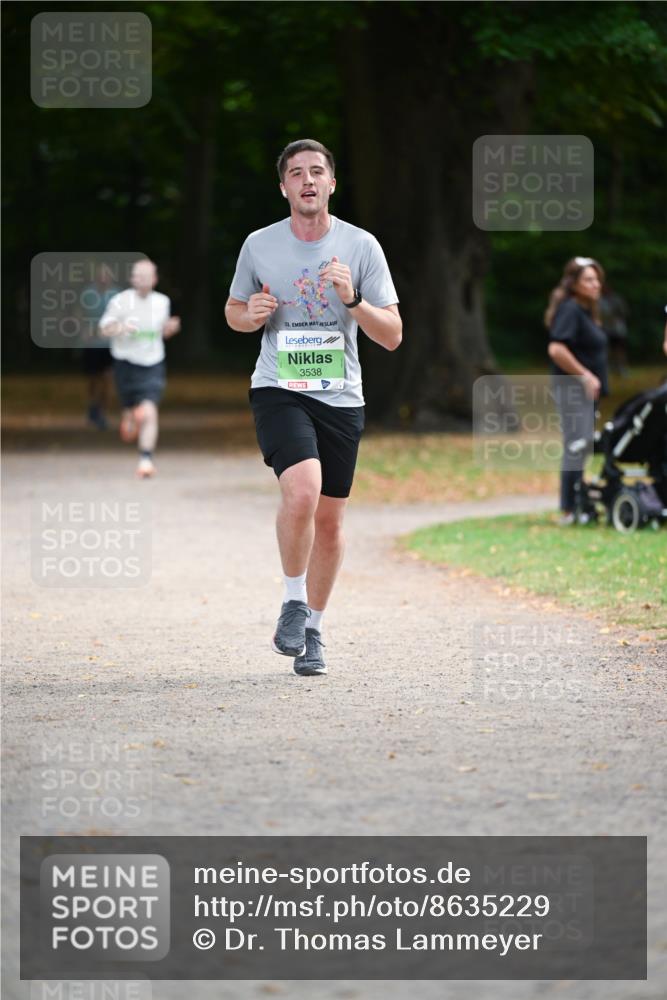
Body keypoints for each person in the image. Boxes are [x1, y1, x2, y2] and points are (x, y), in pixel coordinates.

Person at [225, 138, 401, 677]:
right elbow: (232, 311)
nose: (307, 180)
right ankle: (293, 601)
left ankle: (315, 631)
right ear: (283, 187)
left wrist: (352, 300)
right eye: (296, 172)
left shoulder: (362, 246)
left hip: (341, 396)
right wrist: (251, 314)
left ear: (331, 183)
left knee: (329, 522)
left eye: (316, 171)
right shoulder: (259, 244)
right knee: (301, 490)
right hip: (279, 387)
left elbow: (392, 335)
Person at [98, 259, 181, 478]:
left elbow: (162, 332)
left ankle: (146, 459)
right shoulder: (120, 301)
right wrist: (121, 327)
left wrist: (170, 328)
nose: (142, 280)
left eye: (147, 276)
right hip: (125, 362)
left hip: (153, 362)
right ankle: (130, 416)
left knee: (150, 411)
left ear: (154, 279)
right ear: (133, 279)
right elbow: (104, 329)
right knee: (131, 408)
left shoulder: (162, 301)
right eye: (138, 276)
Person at [545, 256, 609, 525]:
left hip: (584, 393)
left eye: (597, 279)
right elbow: (556, 348)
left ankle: (579, 504)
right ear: (574, 284)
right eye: (588, 280)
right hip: (571, 389)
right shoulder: (570, 309)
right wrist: (584, 375)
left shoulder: (586, 310)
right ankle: (569, 509)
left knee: (581, 446)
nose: (595, 284)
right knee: (576, 445)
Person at [79, 264, 120, 429]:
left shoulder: (117, 295)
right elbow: (79, 312)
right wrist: (83, 330)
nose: (103, 278)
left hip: (110, 344)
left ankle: (102, 412)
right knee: (93, 378)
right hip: (92, 343)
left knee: (107, 378)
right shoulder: (87, 293)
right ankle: (92, 406)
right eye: (100, 275)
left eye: (106, 275)